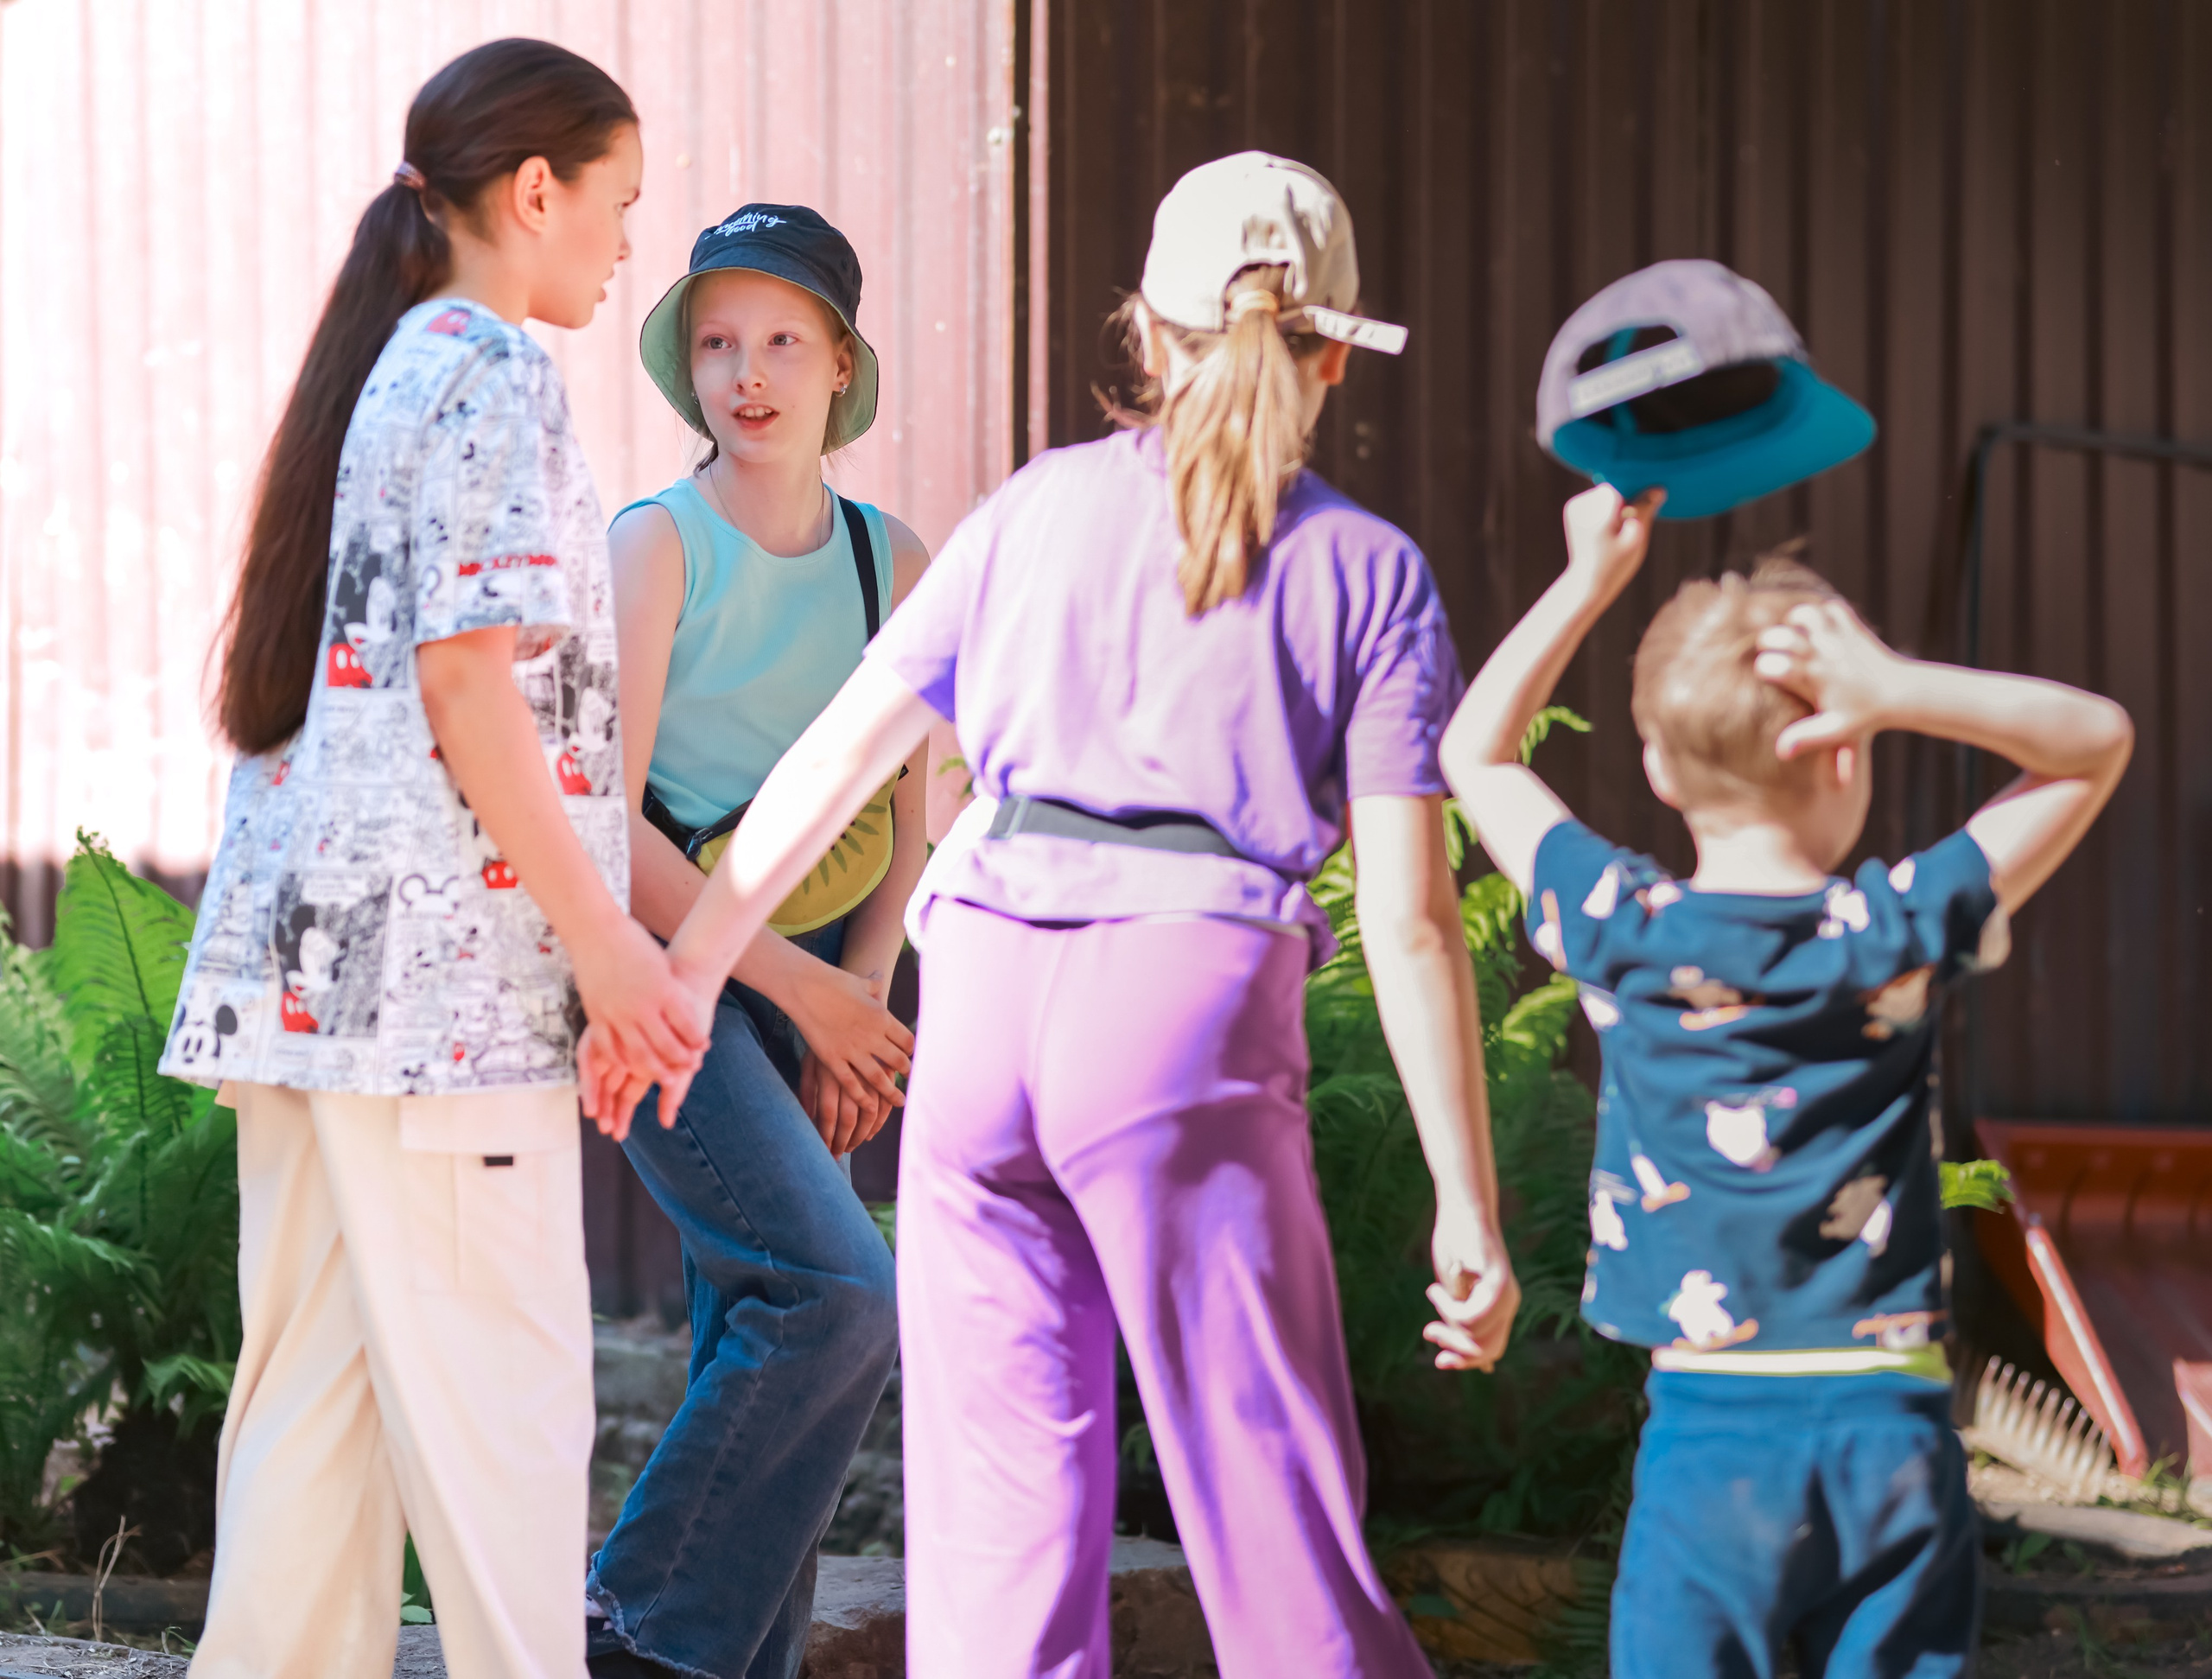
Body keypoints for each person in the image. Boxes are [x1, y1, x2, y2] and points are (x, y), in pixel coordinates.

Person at [584, 151, 1520, 1678]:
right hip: (1181, 1009)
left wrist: (690, 983)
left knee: (999, 1545)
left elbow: (838, 769)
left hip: (984, 1001)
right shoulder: (1366, 568)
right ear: (1337, 354)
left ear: (1141, 332)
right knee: (1270, 1512)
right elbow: (1414, 927)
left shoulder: (1020, 514)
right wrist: (1466, 1208)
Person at [156, 39, 707, 1679]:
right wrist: (609, 948)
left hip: (324, 1010)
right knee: (503, 1461)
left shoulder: (393, 364)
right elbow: (474, 686)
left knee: (309, 1472)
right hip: (441, 1025)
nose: (623, 245)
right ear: (533, 193)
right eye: (616, 204)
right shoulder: (492, 370)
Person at [1441, 485, 2132, 1679]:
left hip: (1711, 1443)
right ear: (1848, 752)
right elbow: (2094, 742)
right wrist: (1899, 684)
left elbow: (1473, 751)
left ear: (1654, 764)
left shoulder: (1621, 929)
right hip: (1894, 1436)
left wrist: (1587, 581)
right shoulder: (1894, 930)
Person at [582, 206, 925, 1679]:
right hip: (661, 971)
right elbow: (605, 826)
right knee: (838, 1291)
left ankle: (734, 1662)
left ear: (840, 365)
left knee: (762, 1318)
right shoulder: (657, 548)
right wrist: (803, 993)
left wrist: (865, 989)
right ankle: (633, 1620)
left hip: (813, 983)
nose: (749, 375)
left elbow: (916, 808)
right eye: (717, 344)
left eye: (784, 340)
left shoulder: (890, 561)